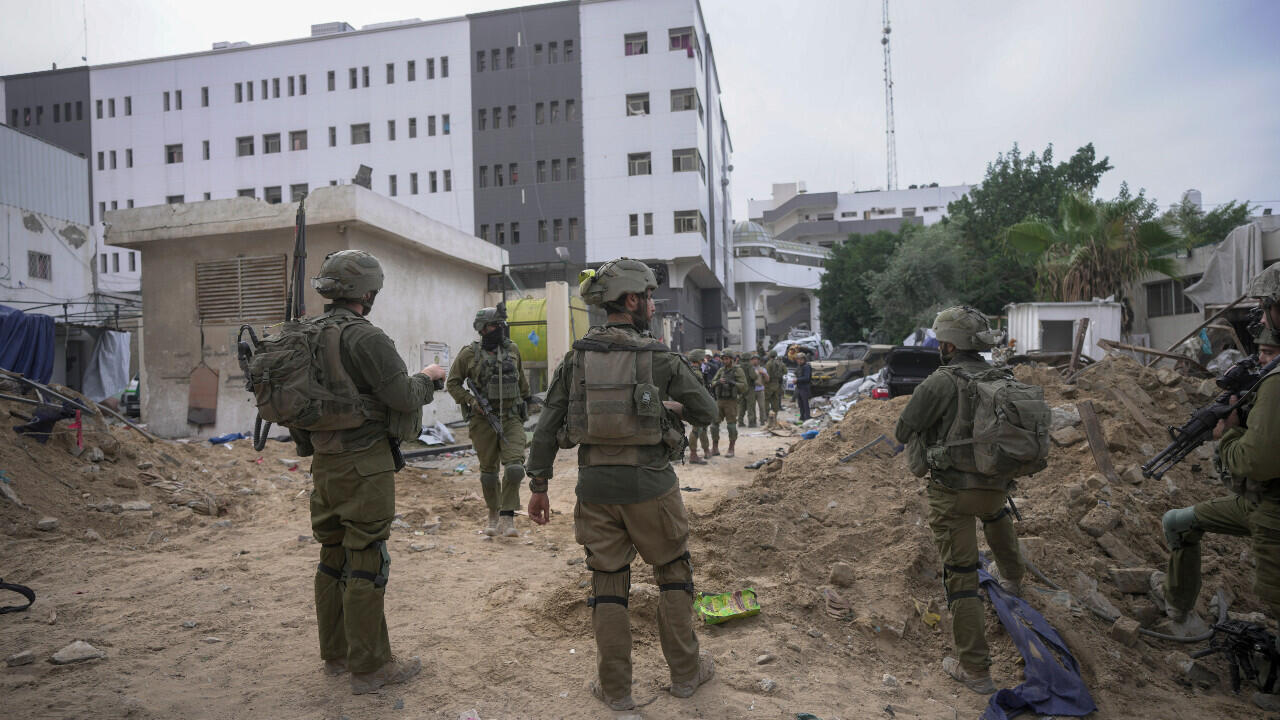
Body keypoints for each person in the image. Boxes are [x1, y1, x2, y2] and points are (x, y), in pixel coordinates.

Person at [525, 258, 718, 711]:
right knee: (672, 573)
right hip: (652, 488)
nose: (652, 304)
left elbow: (548, 425)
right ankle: (686, 676)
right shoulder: (660, 357)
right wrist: (669, 406)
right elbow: (707, 411)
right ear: (632, 300)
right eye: (648, 297)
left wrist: (538, 484)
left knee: (607, 584)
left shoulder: (577, 358)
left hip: (595, 490)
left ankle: (615, 690)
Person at [300, 250, 447, 694]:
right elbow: (402, 396)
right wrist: (429, 376)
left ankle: (337, 655)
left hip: (323, 461)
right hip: (364, 463)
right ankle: (370, 669)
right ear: (367, 292)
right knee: (367, 560)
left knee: (332, 556)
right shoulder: (366, 337)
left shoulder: (303, 334)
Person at [1160, 269, 1280, 711]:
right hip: (1256, 502)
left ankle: (1273, 691)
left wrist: (1226, 435)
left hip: (1272, 509)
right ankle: (1179, 613)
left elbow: (1255, 459)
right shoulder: (1266, 382)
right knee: (1179, 523)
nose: (1264, 357)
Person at [894, 306, 1024, 695]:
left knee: (962, 577)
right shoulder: (1003, 375)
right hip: (996, 485)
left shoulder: (939, 382)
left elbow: (903, 429)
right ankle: (1014, 579)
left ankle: (975, 671)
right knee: (997, 514)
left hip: (953, 493)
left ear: (949, 344)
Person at [446, 307, 530, 537]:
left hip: (511, 417)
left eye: (502, 324)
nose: (501, 329)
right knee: (489, 473)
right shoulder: (468, 355)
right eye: (496, 325)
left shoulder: (512, 349)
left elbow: (522, 381)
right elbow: (452, 384)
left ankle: (508, 517)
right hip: (483, 420)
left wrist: (529, 403)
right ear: (483, 329)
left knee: (514, 468)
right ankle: (493, 513)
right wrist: (471, 401)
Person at [710, 352, 748, 458]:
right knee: (714, 424)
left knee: (731, 425)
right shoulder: (721, 370)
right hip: (719, 401)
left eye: (727, 359)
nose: (725, 361)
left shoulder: (738, 370)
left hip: (731, 402)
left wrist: (733, 383)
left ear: (731, 359)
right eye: (723, 359)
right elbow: (712, 382)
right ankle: (715, 447)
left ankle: (731, 448)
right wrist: (718, 382)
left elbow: (744, 386)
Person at [684, 349, 712, 464]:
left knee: (702, 428)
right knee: (696, 429)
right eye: (702, 359)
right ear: (699, 359)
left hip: (693, 403)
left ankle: (706, 450)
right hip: (697, 404)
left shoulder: (689, 370)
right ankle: (693, 455)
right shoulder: (697, 373)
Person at [764, 350, 786, 420]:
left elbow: (767, 375)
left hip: (769, 384)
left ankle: (767, 416)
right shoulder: (780, 363)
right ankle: (775, 416)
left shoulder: (768, 363)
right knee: (775, 401)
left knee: (766, 401)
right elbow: (785, 371)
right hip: (777, 384)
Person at [793, 351, 813, 422]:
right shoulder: (799, 367)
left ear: (804, 359)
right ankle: (802, 417)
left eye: (800, 359)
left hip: (805, 387)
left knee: (805, 403)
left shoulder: (806, 367)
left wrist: (797, 380)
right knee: (800, 403)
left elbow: (806, 378)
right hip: (799, 387)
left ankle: (807, 417)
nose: (798, 361)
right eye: (797, 359)